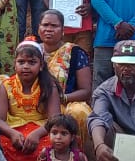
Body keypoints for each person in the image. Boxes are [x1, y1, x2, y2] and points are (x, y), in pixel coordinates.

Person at [0, 40, 61, 161]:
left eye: (32, 62)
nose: (26, 66)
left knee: (49, 147)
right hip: (14, 131)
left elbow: (55, 120)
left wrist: (37, 134)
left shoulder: (49, 86)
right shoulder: (6, 85)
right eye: (21, 62)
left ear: (41, 65)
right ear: (14, 64)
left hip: (42, 129)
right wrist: (11, 133)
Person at [36, 9, 94, 143]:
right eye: (45, 25)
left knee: (79, 112)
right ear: (39, 29)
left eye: (54, 26)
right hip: (34, 102)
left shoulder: (75, 52)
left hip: (65, 102)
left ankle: (75, 158)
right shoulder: (31, 51)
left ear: (62, 30)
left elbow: (86, 91)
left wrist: (61, 98)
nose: (49, 29)